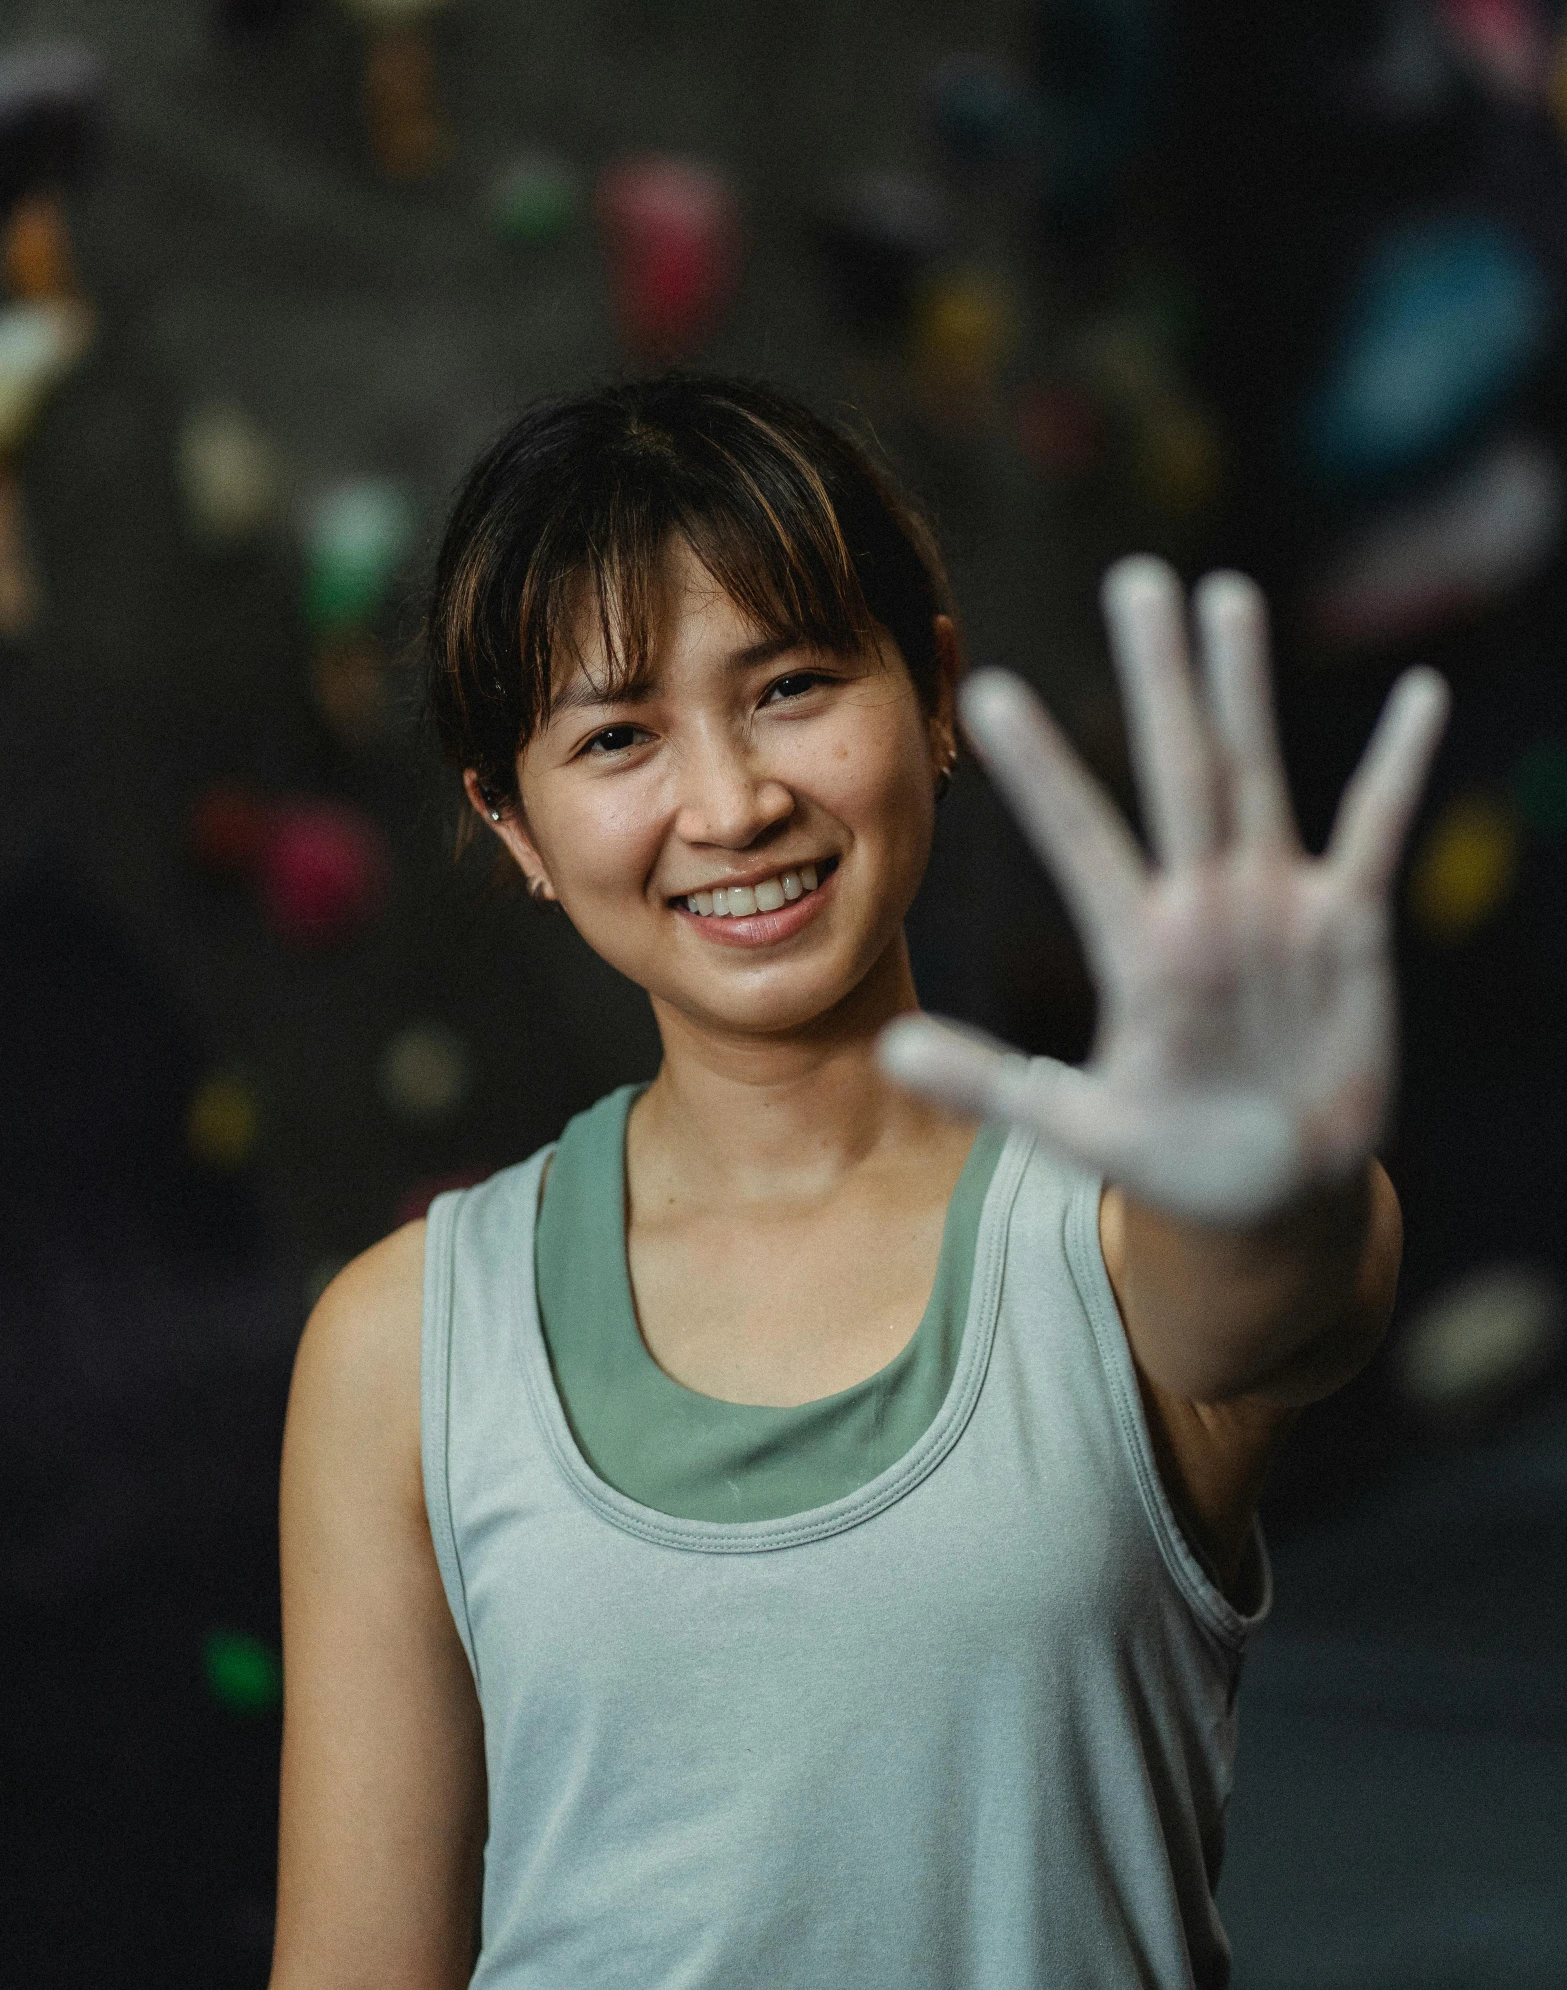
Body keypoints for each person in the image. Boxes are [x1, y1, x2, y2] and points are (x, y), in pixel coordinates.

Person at [269, 373, 1449, 1990]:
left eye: (793, 685)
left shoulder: (1116, 1227)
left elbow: (1283, 1291)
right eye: (617, 735)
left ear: (936, 689)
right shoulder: (402, 1340)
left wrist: (1274, 1175)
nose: (734, 801)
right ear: (513, 821)